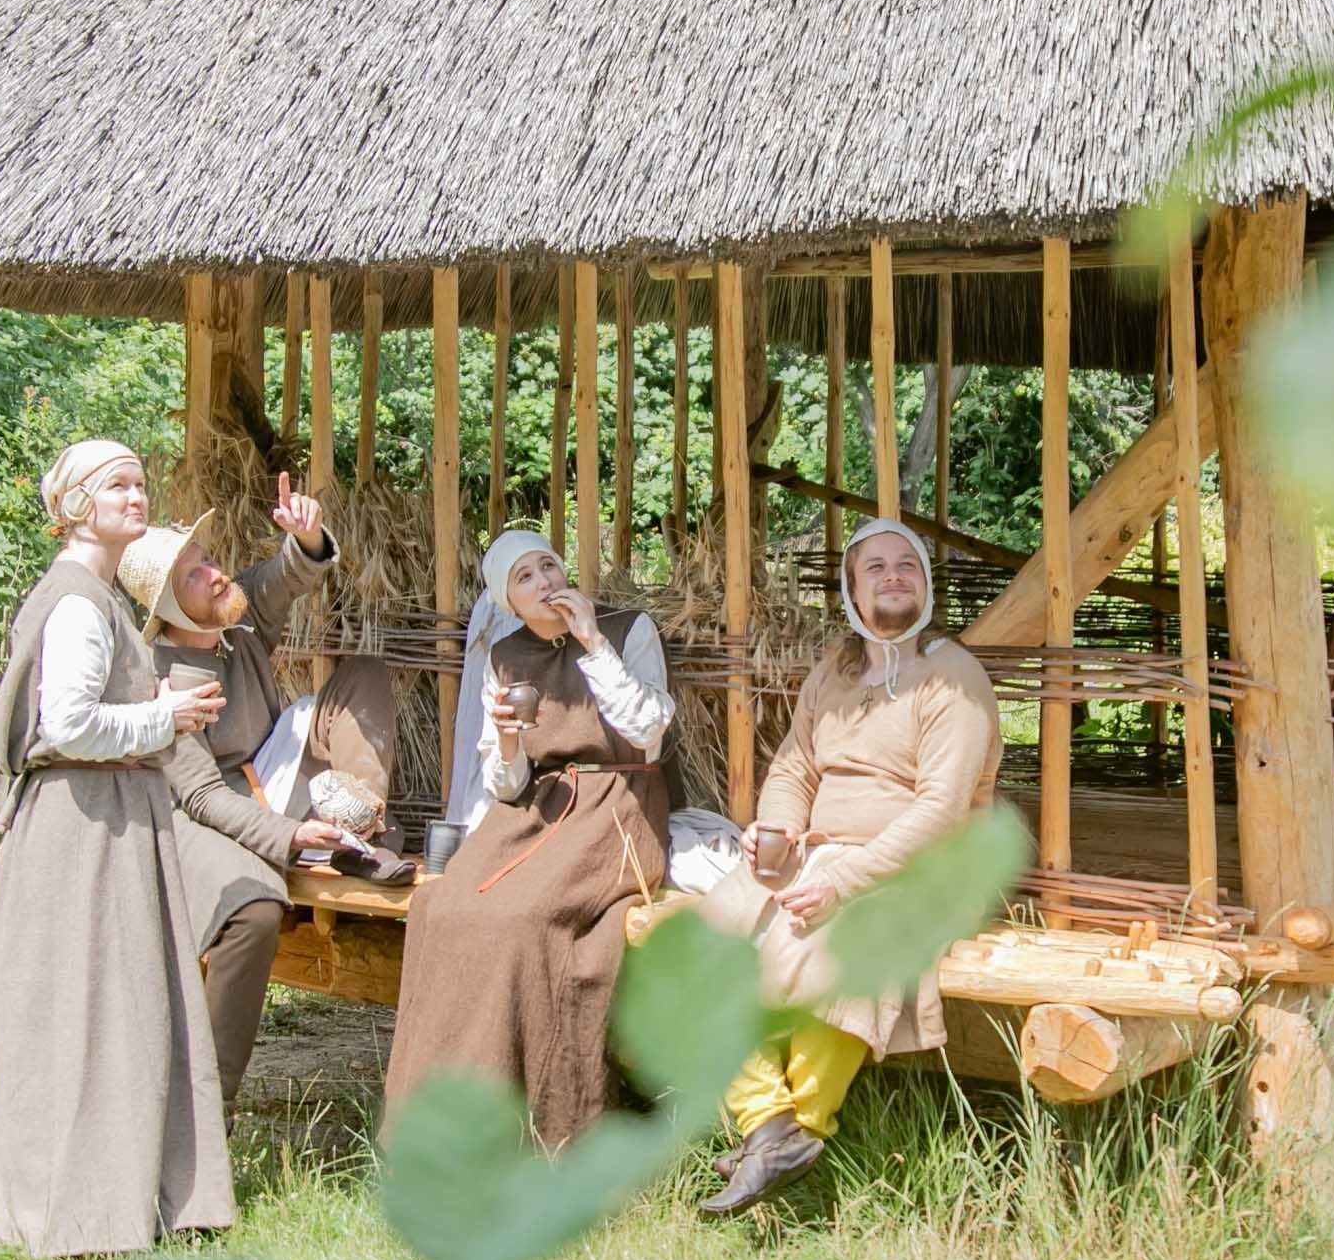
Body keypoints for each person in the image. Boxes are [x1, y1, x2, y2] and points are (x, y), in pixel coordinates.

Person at [0, 438, 235, 1257]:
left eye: (140, 483)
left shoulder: (93, 595)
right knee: (92, 1007)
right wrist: (163, 717)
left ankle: (107, 1192)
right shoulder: (77, 600)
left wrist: (152, 704)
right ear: (76, 506)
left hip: (101, 816)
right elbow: (67, 726)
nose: (135, 496)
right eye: (116, 486)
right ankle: (80, 1205)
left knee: (109, 1006)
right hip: (83, 824)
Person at [695, 516, 1000, 1215]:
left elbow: (940, 811)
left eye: (907, 565)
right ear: (851, 589)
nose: (893, 576)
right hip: (820, 855)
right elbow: (795, 766)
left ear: (925, 586)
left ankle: (798, 1125)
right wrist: (777, 830)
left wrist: (840, 879)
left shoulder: (953, 678)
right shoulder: (835, 671)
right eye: (875, 567)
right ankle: (770, 1127)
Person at [114, 475, 409, 1105]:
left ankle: (358, 825)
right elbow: (201, 798)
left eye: (208, 560)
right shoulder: (158, 680)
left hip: (272, 774)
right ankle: (209, 1104)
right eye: (195, 575)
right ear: (169, 605)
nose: (216, 574)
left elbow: (285, 576)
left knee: (362, 673)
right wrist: (291, 834)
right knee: (251, 910)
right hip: (210, 816)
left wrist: (306, 537)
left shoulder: (235, 622)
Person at [385, 528, 678, 1146]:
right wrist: (508, 739)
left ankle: (532, 1125)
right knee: (440, 905)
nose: (544, 581)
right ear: (508, 602)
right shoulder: (505, 655)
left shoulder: (628, 629)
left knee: (523, 918)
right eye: (524, 577)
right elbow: (506, 782)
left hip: (616, 803)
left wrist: (593, 642)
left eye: (548, 566)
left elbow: (648, 731)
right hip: (533, 808)